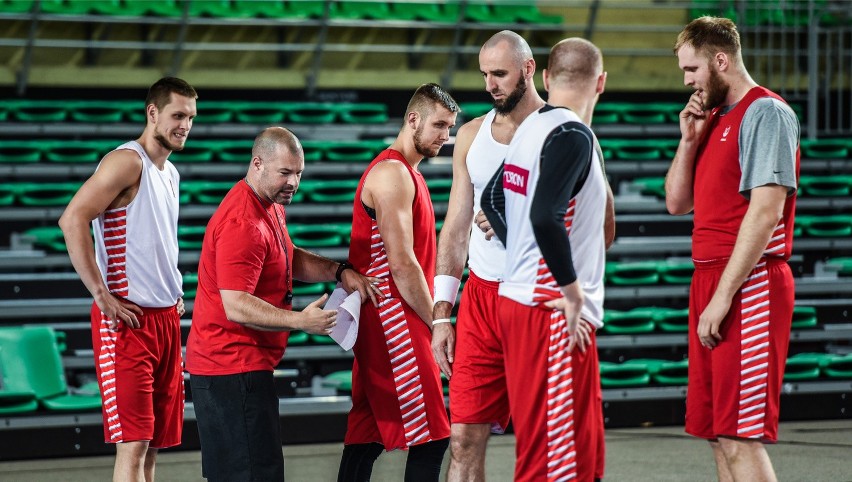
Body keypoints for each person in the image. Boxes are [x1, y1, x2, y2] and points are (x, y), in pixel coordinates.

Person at [434, 31, 615, 481]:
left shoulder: (565, 132)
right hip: (484, 297)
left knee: (548, 443)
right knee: (464, 439)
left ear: (532, 70)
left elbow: (602, 231)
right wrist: (442, 313)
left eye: (500, 73)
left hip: (533, 297)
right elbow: (457, 224)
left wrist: (517, 226)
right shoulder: (474, 134)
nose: (490, 84)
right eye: (484, 75)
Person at [185, 127, 381, 482]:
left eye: (299, 173)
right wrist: (299, 321)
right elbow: (237, 304)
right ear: (257, 164)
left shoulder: (268, 205)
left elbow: (287, 258)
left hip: (239, 366)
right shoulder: (243, 222)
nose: (293, 182)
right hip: (230, 369)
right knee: (252, 475)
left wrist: (339, 271)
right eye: (285, 173)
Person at [666, 16, 799, 482]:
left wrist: (723, 297)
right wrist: (688, 141)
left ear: (721, 61)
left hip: (750, 282)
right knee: (720, 434)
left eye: (693, 69)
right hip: (710, 277)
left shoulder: (767, 113)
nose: (687, 81)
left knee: (741, 435)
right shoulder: (715, 117)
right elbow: (676, 202)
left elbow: (766, 214)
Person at [58, 77, 197, 482]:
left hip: (166, 320)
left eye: (190, 117)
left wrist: (172, 288)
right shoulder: (127, 161)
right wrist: (101, 293)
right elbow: (72, 218)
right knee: (133, 447)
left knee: (152, 448)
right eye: (177, 115)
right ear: (152, 113)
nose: (185, 124)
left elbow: (152, 240)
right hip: (127, 323)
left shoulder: (169, 173)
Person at [337, 83, 459, 482]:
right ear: (413, 119)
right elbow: (403, 263)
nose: (446, 135)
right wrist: (439, 321)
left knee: (366, 433)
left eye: (450, 127)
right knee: (433, 437)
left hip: (383, 317)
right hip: (393, 316)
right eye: (439, 125)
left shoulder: (407, 174)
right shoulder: (392, 173)